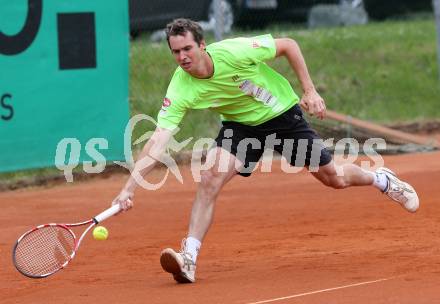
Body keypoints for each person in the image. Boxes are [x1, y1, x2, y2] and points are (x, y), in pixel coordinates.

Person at [112, 18, 419, 284]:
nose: (182, 57)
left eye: (187, 49)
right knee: (209, 178)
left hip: (282, 116)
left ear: (202, 45)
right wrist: (129, 188)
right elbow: (158, 140)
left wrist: (309, 90)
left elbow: (288, 45)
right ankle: (188, 258)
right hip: (240, 127)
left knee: (334, 179)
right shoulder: (180, 88)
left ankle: (382, 180)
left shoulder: (234, 51)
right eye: (175, 52)